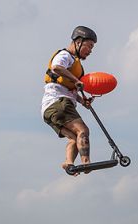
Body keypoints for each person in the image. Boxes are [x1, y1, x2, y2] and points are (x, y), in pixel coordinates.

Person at [42, 26, 97, 175]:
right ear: (78, 41)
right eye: (89, 46)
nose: (91, 50)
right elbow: (56, 68)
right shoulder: (66, 56)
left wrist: (81, 100)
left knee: (74, 138)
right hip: (59, 102)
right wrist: (75, 79)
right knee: (83, 130)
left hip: (50, 108)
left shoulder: (75, 62)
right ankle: (86, 163)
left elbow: (67, 88)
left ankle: (69, 163)